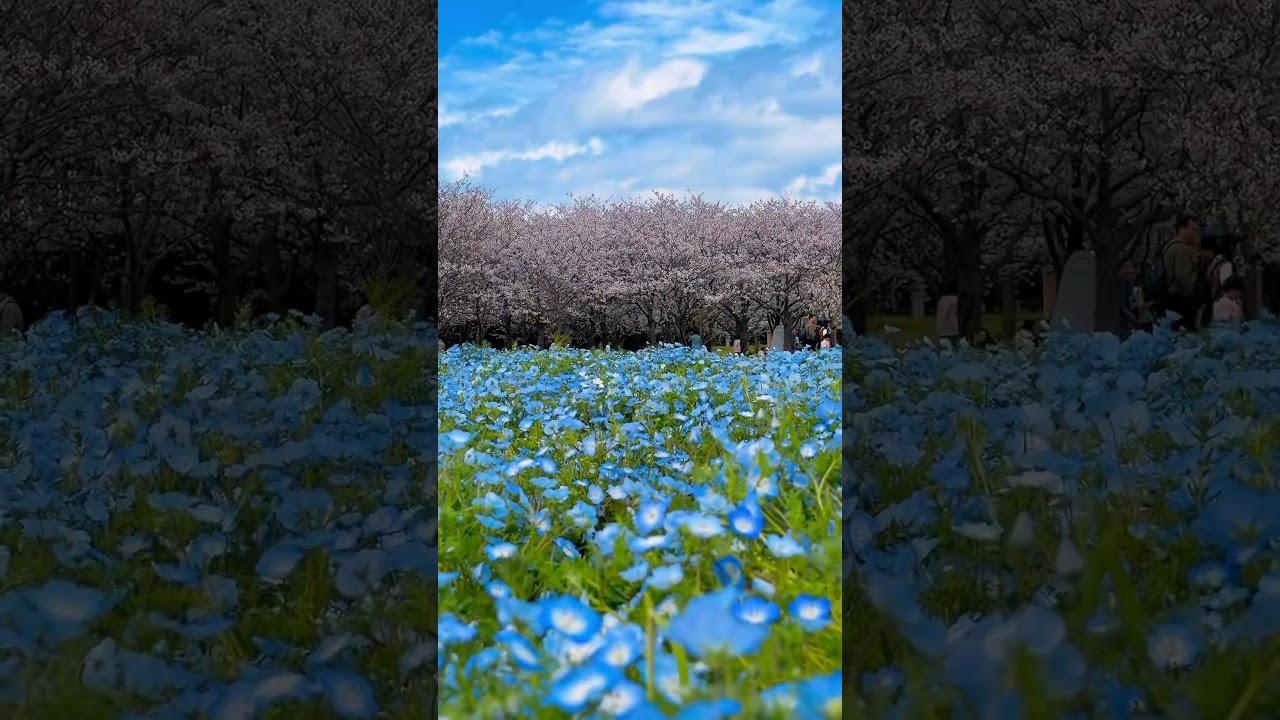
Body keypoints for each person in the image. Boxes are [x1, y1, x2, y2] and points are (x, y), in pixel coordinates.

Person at [1160, 215, 1209, 331]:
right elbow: (1184, 277)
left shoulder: (1169, 247)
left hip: (1169, 297)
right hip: (1182, 300)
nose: (1195, 234)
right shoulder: (1184, 250)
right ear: (1182, 228)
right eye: (1192, 229)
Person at [1120, 261, 1154, 334]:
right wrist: (1134, 318)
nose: (1132, 276)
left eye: (1134, 274)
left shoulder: (1137, 285)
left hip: (1141, 316)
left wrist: (1146, 305)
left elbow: (1140, 301)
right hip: (1131, 318)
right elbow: (1123, 307)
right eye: (1129, 274)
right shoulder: (1123, 286)